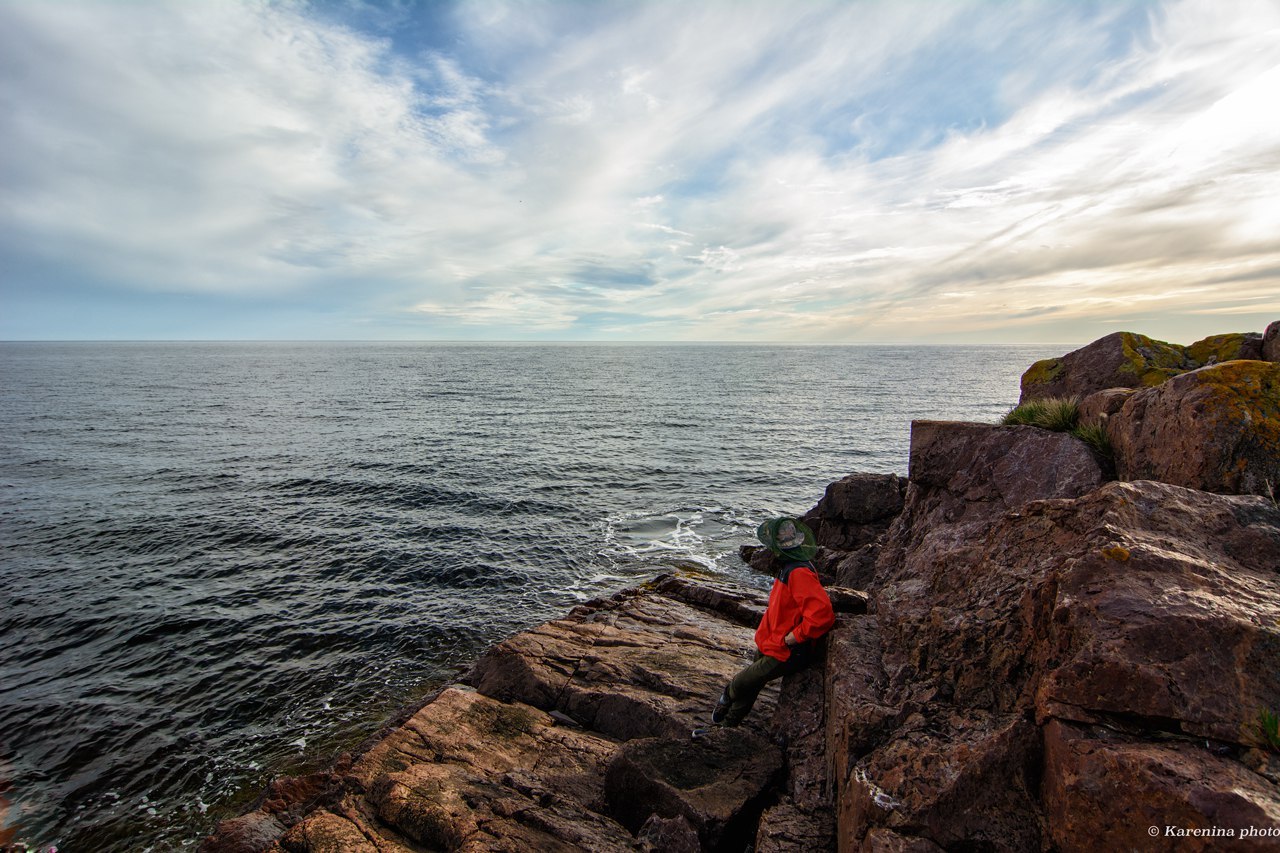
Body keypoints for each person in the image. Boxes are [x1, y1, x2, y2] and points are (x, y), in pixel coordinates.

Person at [710, 516, 835, 728]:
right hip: (771, 640)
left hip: (786, 650)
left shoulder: (799, 572)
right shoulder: (788, 566)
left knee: (741, 683)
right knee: (751, 685)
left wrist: (795, 637)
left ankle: (726, 700)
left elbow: (822, 614)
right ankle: (727, 727)